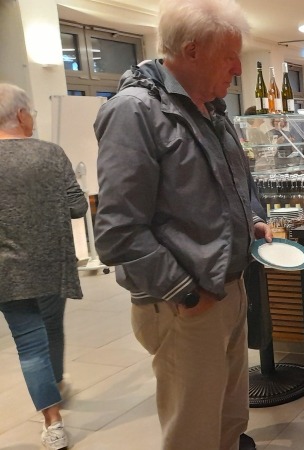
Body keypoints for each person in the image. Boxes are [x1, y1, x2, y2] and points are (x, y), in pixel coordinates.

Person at [92, 1, 270, 449]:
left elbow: (235, 182)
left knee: (230, 419)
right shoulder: (134, 111)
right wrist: (186, 294)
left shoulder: (210, 107)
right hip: (186, 304)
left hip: (228, 288)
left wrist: (252, 222)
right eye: (229, 55)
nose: (236, 67)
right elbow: (117, 232)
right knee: (193, 431)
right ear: (191, 51)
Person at [0, 82, 87, 450]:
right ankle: (55, 383)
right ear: (20, 114)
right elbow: (78, 207)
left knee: (29, 344)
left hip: (6, 270)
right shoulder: (51, 154)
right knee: (51, 328)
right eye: (31, 112)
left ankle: (53, 425)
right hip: (53, 264)